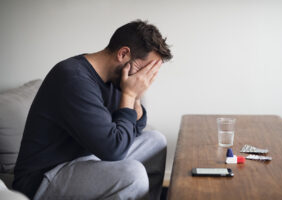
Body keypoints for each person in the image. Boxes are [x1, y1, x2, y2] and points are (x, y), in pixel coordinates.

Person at [12, 20, 172, 200]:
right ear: (123, 54)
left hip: (87, 157)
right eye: (144, 69)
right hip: (44, 177)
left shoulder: (115, 79)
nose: (144, 77)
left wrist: (135, 97)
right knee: (132, 174)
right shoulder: (73, 78)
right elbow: (113, 149)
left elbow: (134, 128)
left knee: (156, 141)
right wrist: (129, 94)